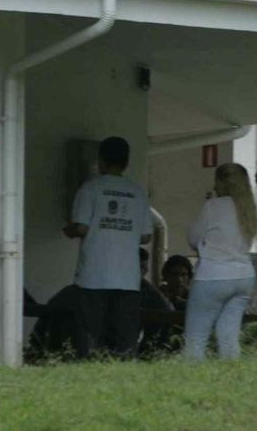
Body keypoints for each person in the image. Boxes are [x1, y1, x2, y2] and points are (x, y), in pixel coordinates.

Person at [63, 136, 153, 358]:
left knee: (89, 338)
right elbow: (146, 236)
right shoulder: (137, 192)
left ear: (101, 160)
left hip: (93, 277)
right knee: (124, 342)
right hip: (127, 279)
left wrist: (70, 230)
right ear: (126, 162)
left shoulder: (91, 189)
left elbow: (82, 228)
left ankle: (89, 379)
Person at [183, 163, 257, 361]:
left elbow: (193, 238)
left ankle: (190, 383)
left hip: (213, 275)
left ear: (223, 182)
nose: (214, 186)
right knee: (229, 337)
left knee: (196, 338)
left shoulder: (213, 206)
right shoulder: (249, 208)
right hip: (244, 276)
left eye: (216, 181)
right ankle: (232, 380)